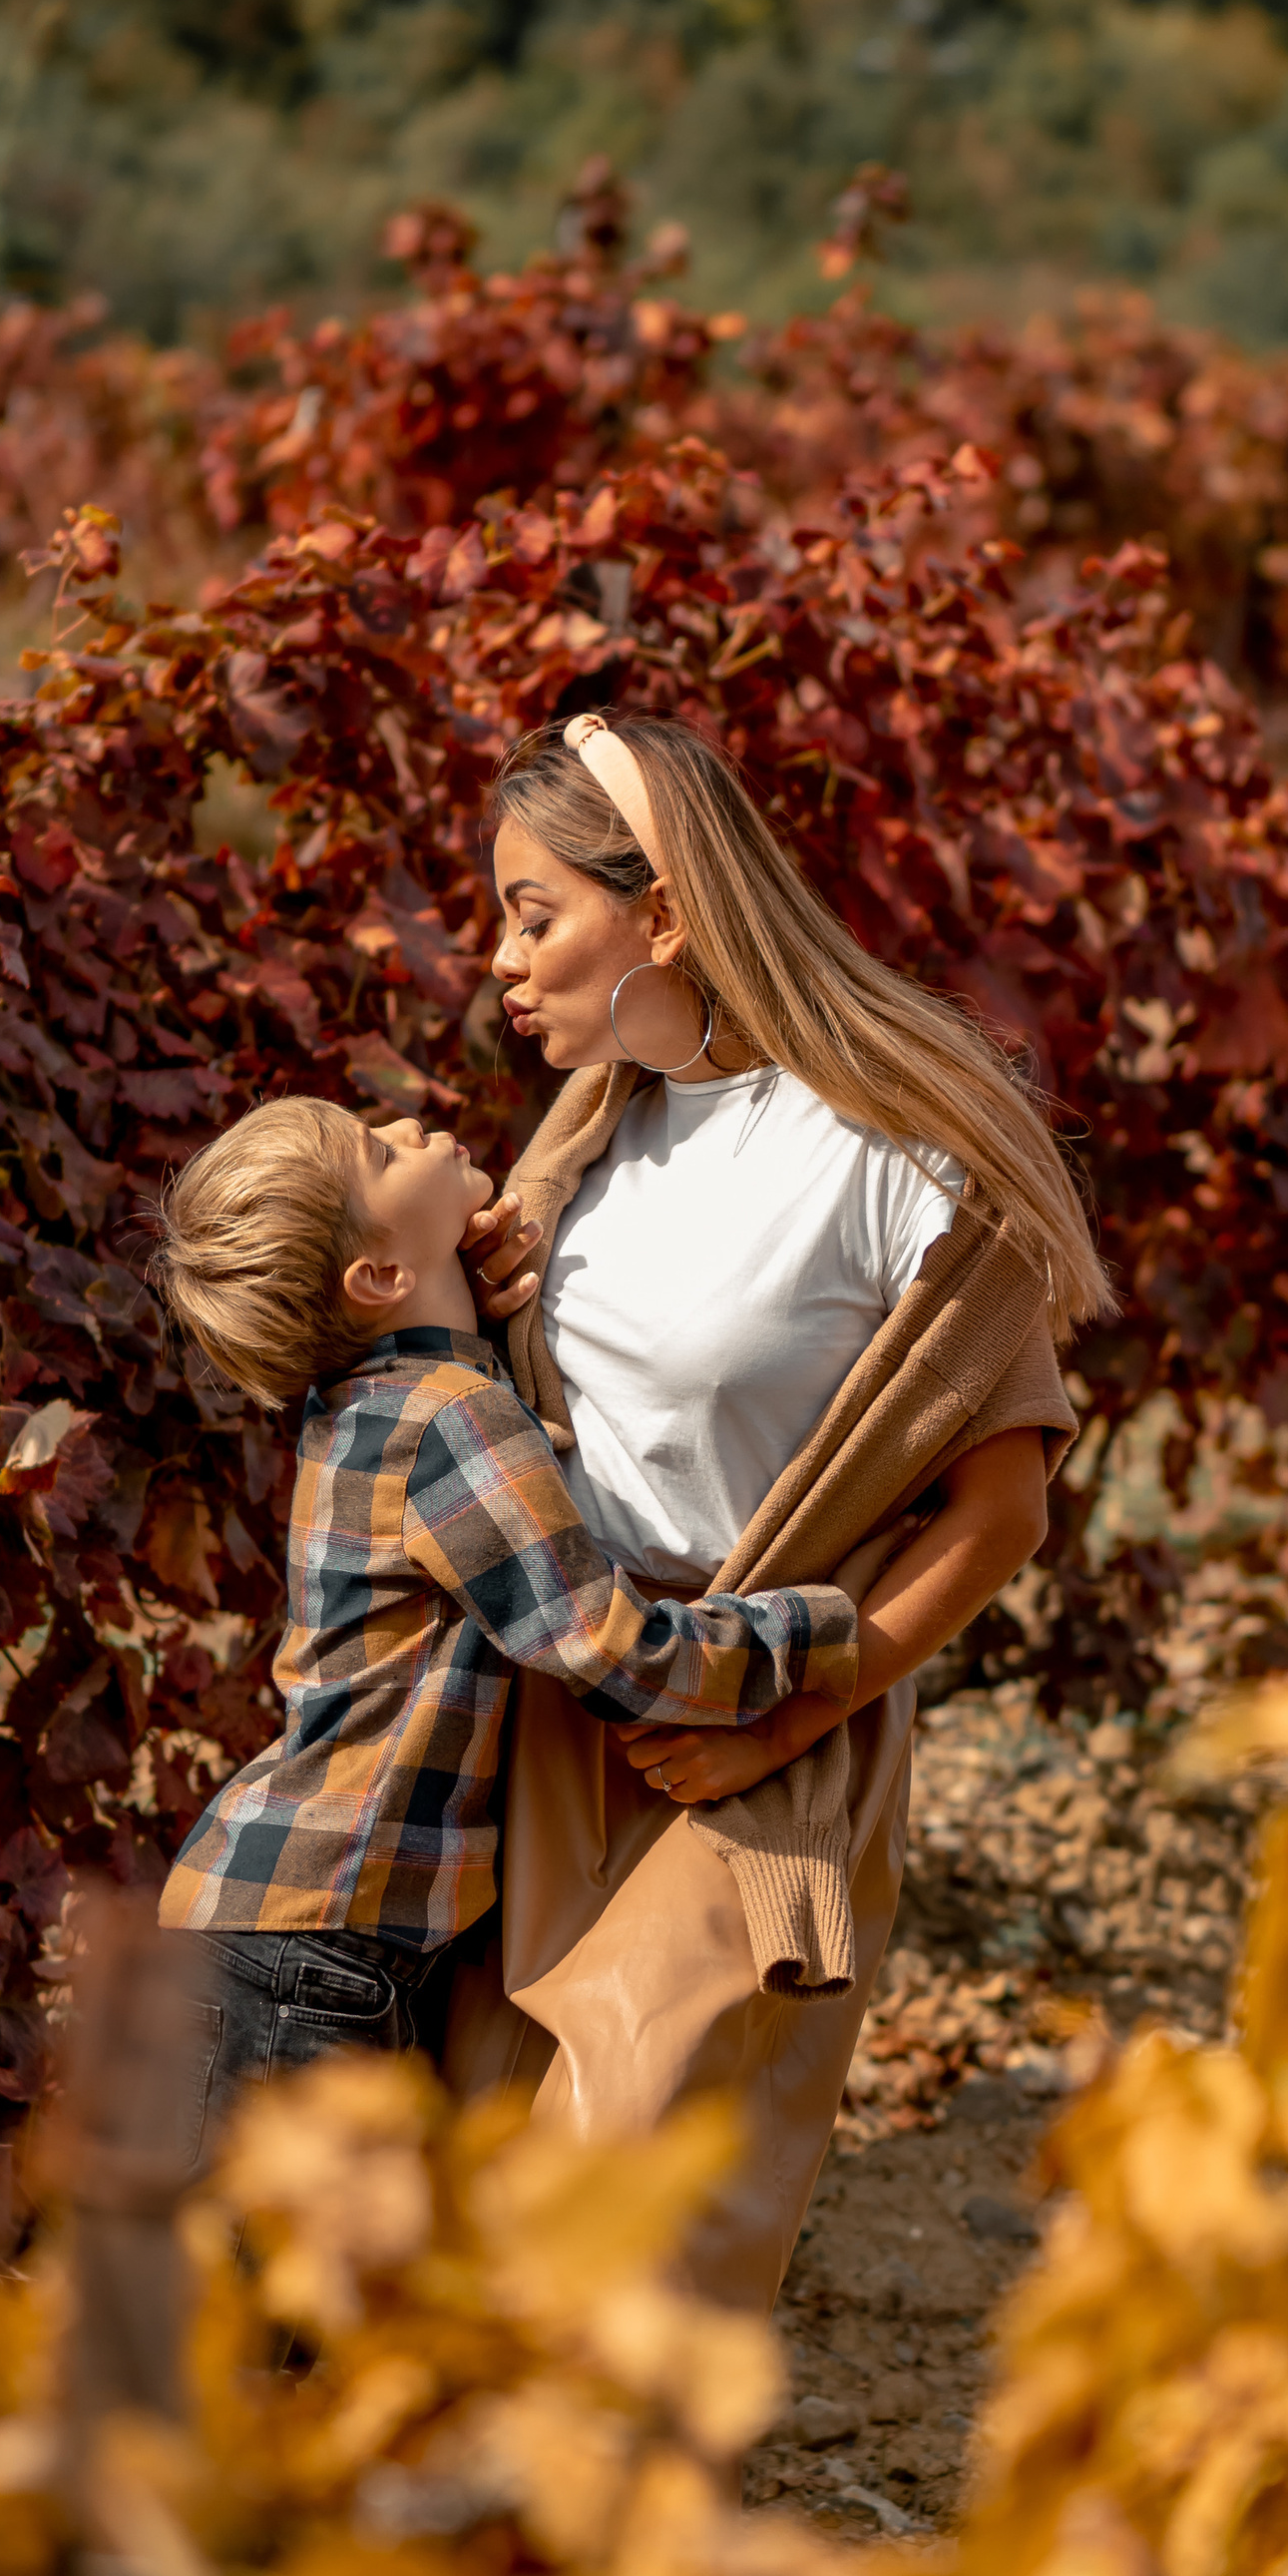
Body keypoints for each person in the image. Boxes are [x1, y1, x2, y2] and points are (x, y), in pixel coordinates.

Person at [450, 708, 1110, 2308]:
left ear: (665, 912)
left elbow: (1002, 1511)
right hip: (566, 1709)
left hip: (761, 1710)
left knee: (618, 2196)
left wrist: (791, 1720)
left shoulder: (887, 1150)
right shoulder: (586, 1144)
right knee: (482, 2179)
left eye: (535, 915)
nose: (501, 962)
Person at [139, 1093, 859, 2139]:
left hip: (269, 1926)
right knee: (300, 2248)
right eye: (379, 1150)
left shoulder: (370, 1404)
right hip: (314, 1948)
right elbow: (613, 1650)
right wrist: (819, 1627)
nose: (409, 1125)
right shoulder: (447, 1418)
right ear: (379, 1277)